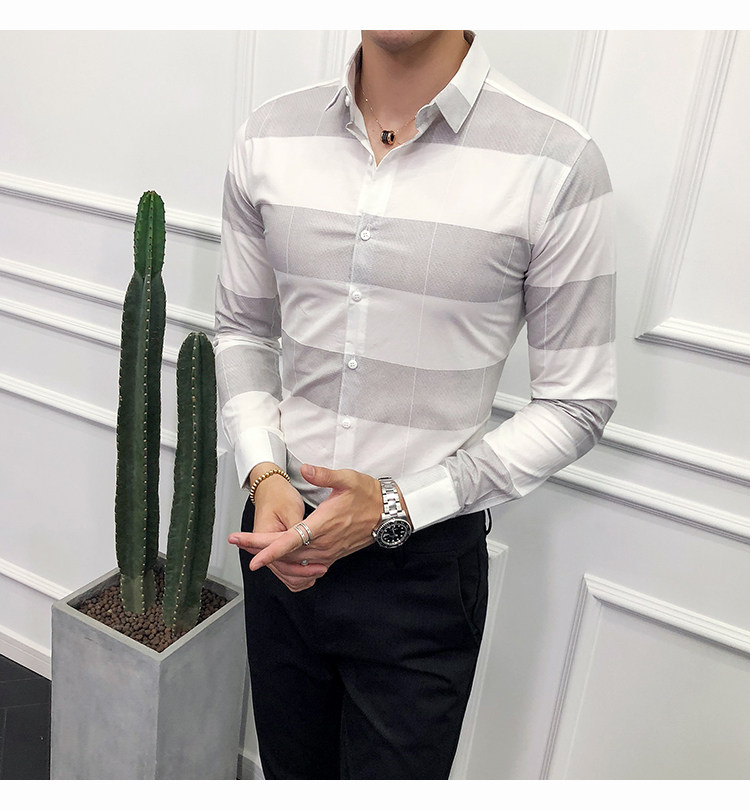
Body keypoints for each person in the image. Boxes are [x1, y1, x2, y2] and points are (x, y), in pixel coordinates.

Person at [214, 29, 616, 780]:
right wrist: (264, 476)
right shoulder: (268, 135)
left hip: (419, 571)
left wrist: (396, 505)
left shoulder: (556, 161)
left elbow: (578, 399)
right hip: (278, 543)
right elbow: (242, 329)